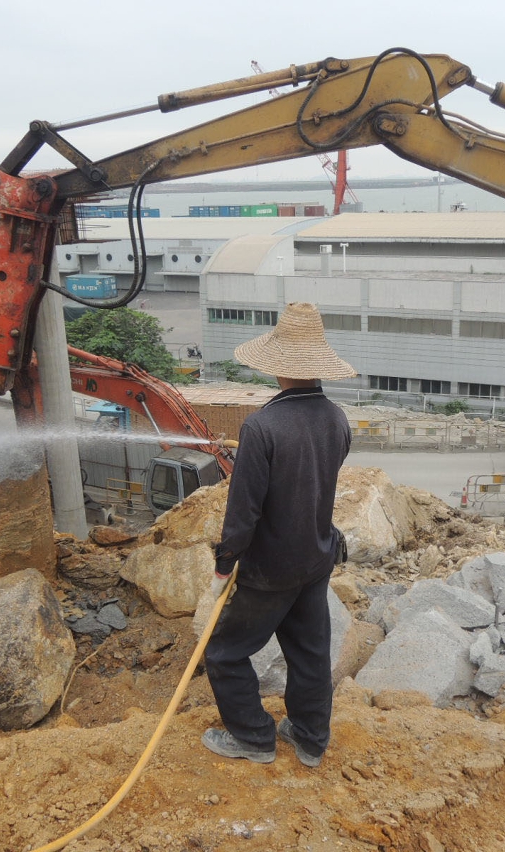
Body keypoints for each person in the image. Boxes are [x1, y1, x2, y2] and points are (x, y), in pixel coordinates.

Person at [201, 302, 354, 768]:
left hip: (270, 569)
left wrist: (225, 561)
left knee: (224, 651)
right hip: (316, 558)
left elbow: (243, 511)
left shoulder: (262, 427)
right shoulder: (337, 419)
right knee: (309, 653)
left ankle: (252, 737)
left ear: (276, 367)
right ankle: (309, 738)